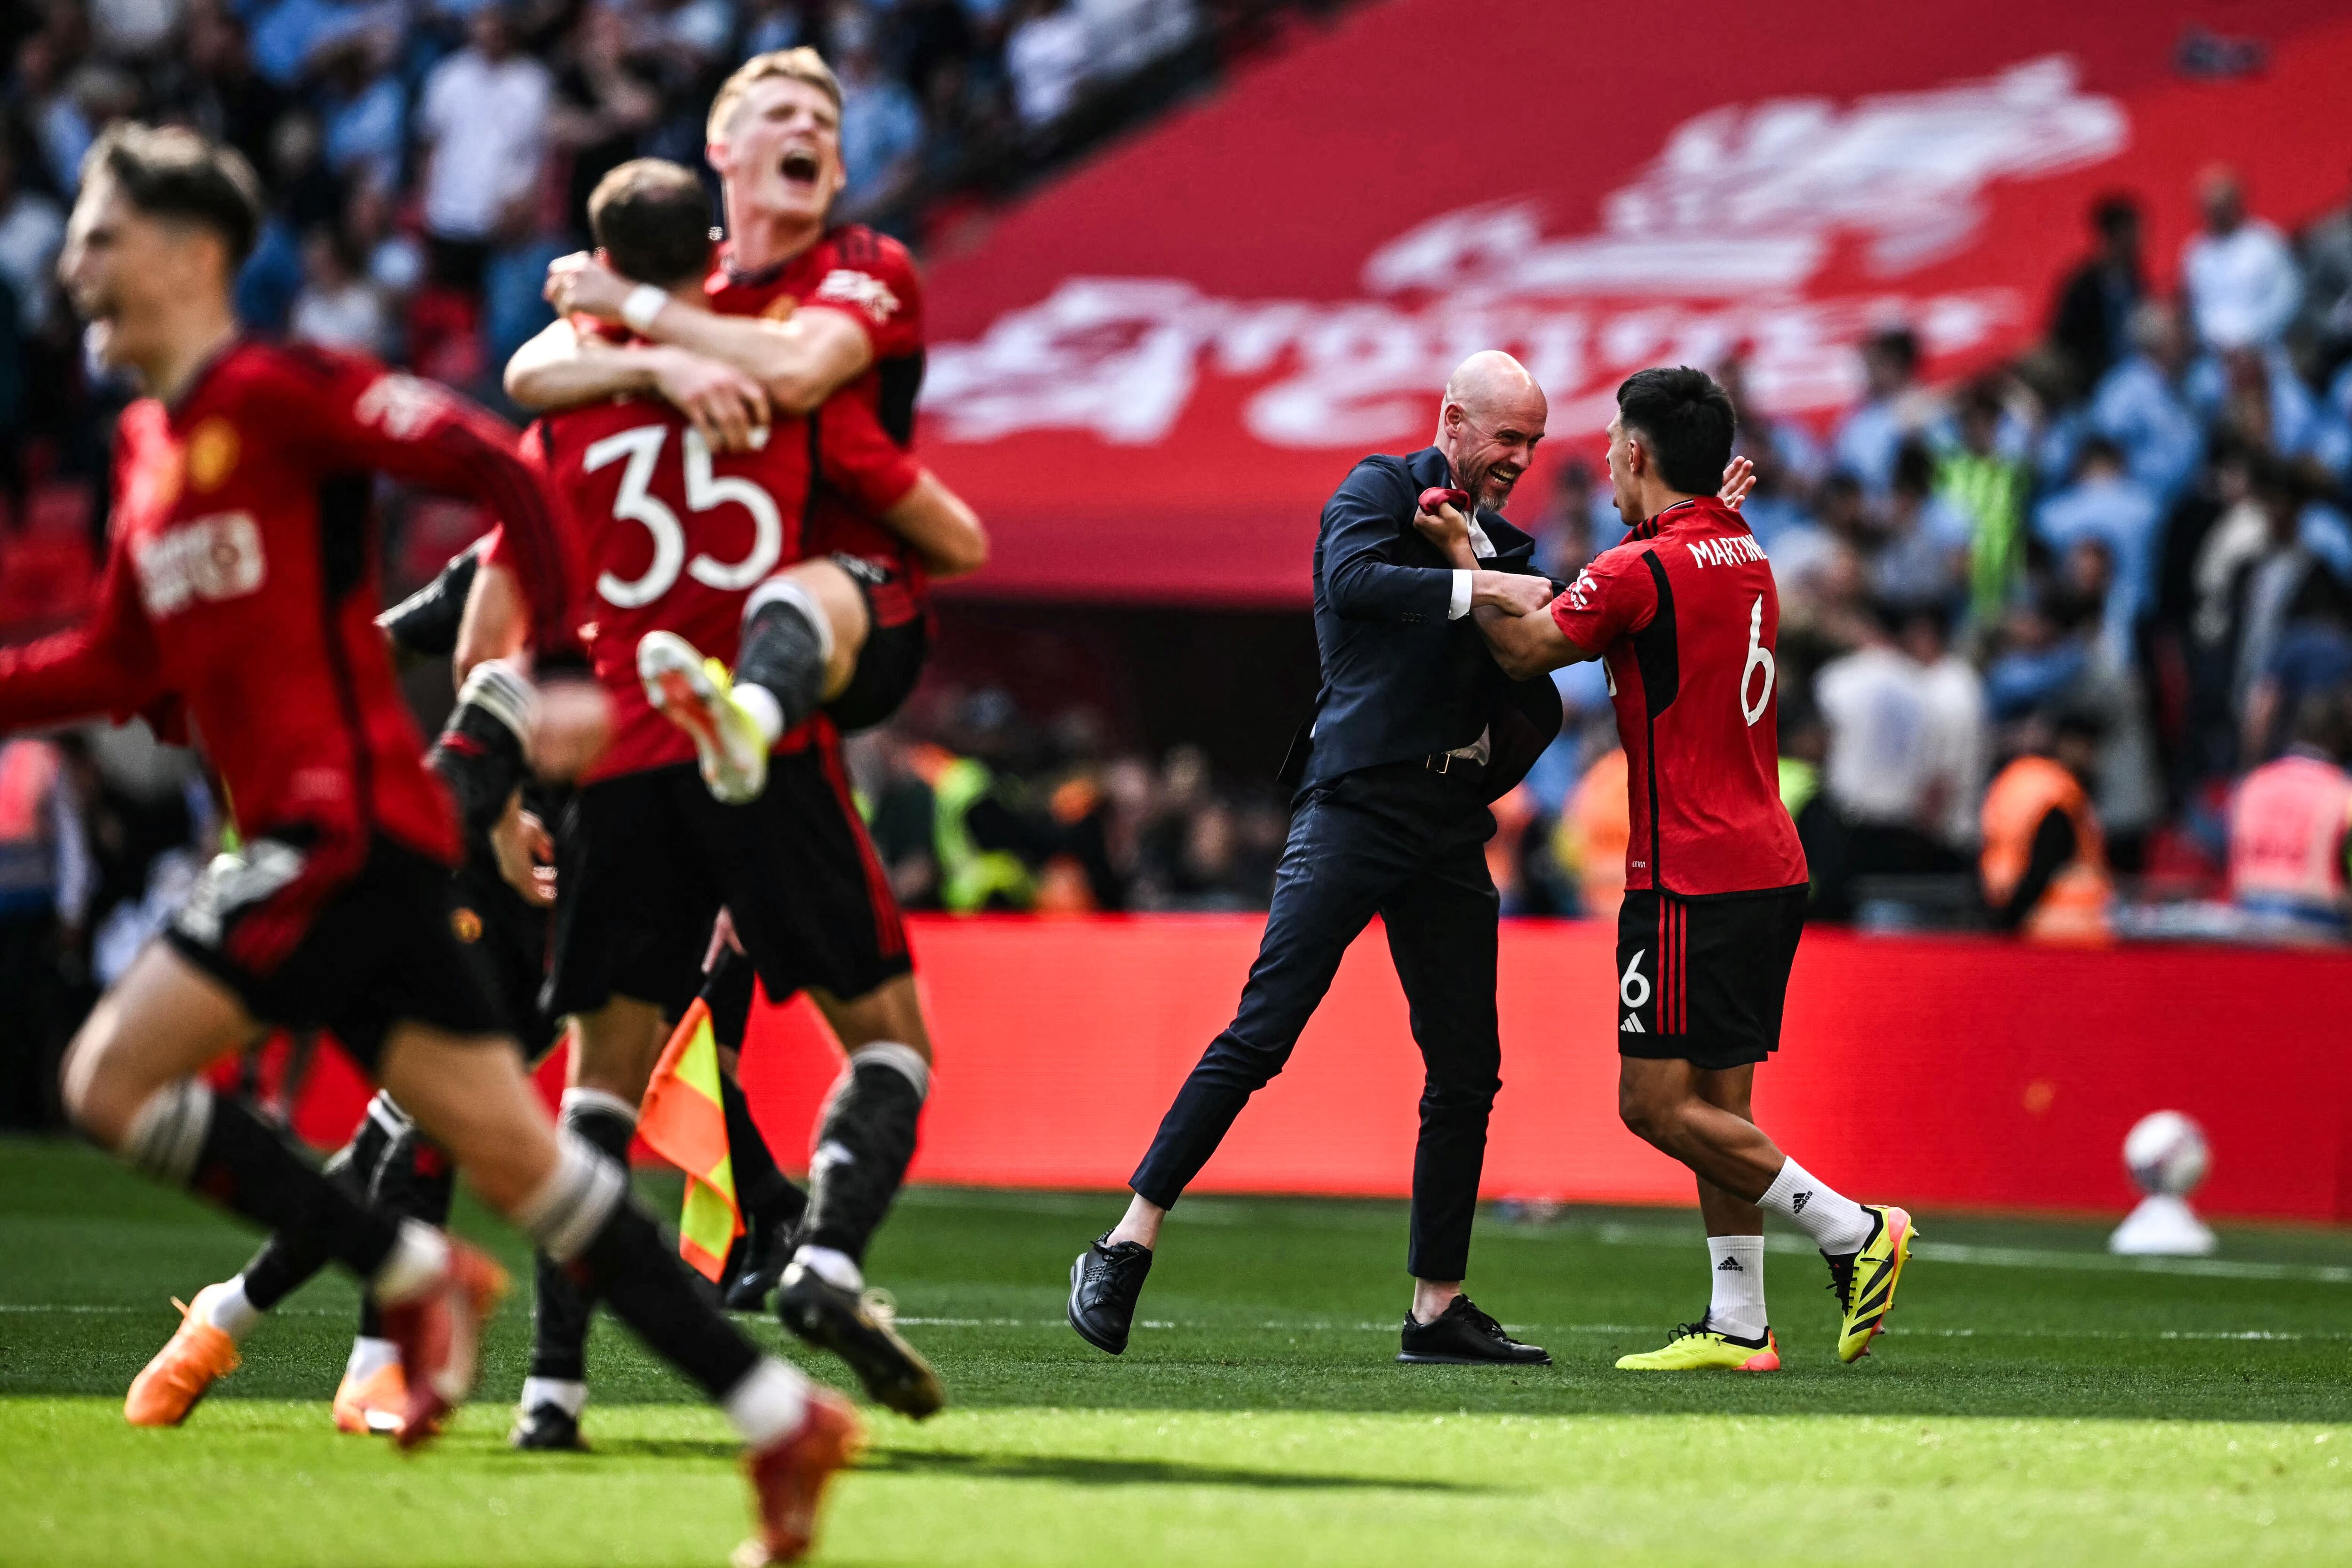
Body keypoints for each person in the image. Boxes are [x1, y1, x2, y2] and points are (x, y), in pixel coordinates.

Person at [28, 124, 854, 1565]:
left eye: (100, 238)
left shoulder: (279, 388)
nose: (71, 266)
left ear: (190, 253)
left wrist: (568, 676)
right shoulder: (150, 443)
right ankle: (782, 1418)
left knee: (107, 1077)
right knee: (535, 1169)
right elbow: (112, 653)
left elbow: (497, 459)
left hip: (336, 831)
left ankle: (410, 1277)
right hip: (377, 848)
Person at [480, 157, 983, 1437]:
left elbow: (501, 577)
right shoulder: (776, 381)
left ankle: (550, 1386)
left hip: (626, 762)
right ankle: (823, 1257)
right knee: (887, 1041)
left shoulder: (558, 410)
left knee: (595, 1089)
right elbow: (949, 535)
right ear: (711, 255)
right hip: (762, 751)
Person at [1066, 352, 1566, 1368]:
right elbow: (1352, 583)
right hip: (1354, 802)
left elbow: (1542, 659)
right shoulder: (1379, 486)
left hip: (1443, 818)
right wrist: (1480, 584)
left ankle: (1438, 1306)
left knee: (1468, 1066)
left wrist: (1478, 571)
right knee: (1262, 1031)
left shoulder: (1500, 541)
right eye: (1507, 437)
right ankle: (1123, 1243)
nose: (1521, 458)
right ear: (1454, 420)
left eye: (1533, 442)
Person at [1422, 365, 1917, 1372]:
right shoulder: (1745, 552)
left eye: (1610, 441)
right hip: (1767, 859)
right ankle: (1739, 1320)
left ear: (1639, 455)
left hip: (1688, 873)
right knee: (1716, 1110)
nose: (1603, 458)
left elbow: (1524, 652)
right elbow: (1682, 576)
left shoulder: (1637, 570)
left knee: (1650, 1104)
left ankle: (1852, 1229)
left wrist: (1461, 559)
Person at [2226, 689, 2352, 940]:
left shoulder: (2253, 784)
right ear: (2340, 739)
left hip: (2248, 925)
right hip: (2322, 929)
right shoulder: (2342, 793)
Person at [1980, 711, 2114, 944]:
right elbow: (2045, 864)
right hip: (2056, 932)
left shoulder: (2019, 777)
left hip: (2003, 903)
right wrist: (2010, 922)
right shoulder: (2060, 794)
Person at [2181, 166, 2301, 353]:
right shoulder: (2196, 253)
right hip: (2215, 356)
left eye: (2222, 207)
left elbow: (2287, 298)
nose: (2217, 214)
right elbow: (2195, 308)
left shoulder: (2266, 243)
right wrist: (2219, 342)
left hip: (2267, 349)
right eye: (2211, 209)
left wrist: (2251, 339)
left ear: (2237, 203)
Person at [2048, 195, 2144, 391]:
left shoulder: (2134, 277)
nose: (2140, 240)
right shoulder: (2083, 285)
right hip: (2097, 379)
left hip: (2136, 367)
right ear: (2115, 235)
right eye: (2132, 233)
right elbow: (2063, 338)